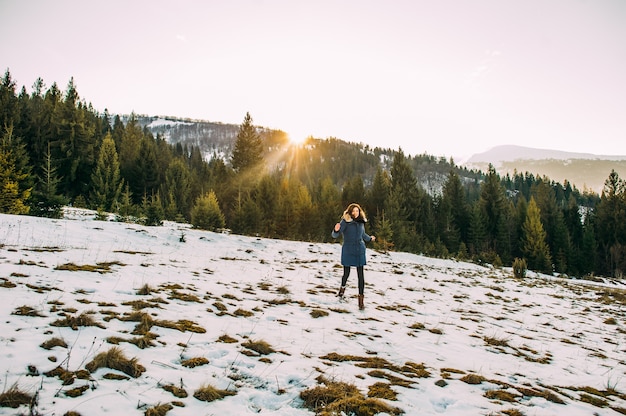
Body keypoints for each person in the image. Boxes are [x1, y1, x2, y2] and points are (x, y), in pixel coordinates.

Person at [331, 203, 375, 310]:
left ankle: (361, 301)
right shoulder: (345, 222)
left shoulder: (361, 222)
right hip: (348, 250)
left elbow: (363, 235)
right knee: (346, 273)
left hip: (359, 250)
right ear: (350, 212)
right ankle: (342, 290)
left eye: (357, 211)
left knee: (361, 275)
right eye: (353, 211)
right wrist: (336, 230)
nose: (355, 213)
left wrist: (369, 239)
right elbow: (335, 235)